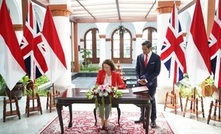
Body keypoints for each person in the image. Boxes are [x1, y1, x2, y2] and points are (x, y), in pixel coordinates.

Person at [134, 40, 161, 128]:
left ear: (150, 48)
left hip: (151, 84)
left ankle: (153, 120)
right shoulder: (139, 57)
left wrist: (147, 79)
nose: (143, 51)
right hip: (141, 84)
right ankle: (142, 117)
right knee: (141, 100)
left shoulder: (156, 58)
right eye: (142, 49)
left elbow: (157, 72)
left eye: (145, 49)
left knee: (151, 100)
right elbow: (137, 69)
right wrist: (138, 79)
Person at [96, 59, 126, 128]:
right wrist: (100, 87)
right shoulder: (101, 72)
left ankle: (106, 120)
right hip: (102, 92)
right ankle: (102, 120)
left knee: (107, 103)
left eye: (107, 67)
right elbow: (97, 83)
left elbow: (123, 85)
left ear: (111, 67)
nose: (105, 69)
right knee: (100, 102)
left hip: (111, 94)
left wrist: (115, 87)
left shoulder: (116, 74)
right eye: (104, 67)